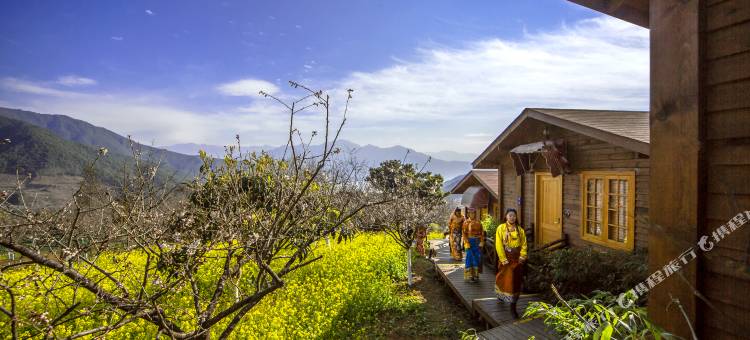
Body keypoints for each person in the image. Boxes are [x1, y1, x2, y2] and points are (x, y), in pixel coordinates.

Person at [495, 208, 527, 318]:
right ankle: (500, 295)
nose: (512, 217)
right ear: (506, 216)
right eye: (510, 215)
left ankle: (513, 307)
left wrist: (523, 256)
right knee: (503, 279)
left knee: (515, 282)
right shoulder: (501, 228)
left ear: (516, 217)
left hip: (516, 260)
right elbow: (498, 244)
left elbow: (524, 244)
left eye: (514, 216)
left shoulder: (520, 230)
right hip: (506, 259)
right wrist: (503, 258)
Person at [462, 208, 485, 282]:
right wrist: (466, 243)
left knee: (477, 258)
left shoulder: (478, 222)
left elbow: (482, 233)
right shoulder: (466, 222)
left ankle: (476, 275)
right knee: (470, 258)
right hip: (469, 242)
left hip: (477, 242)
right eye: (470, 213)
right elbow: (464, 234)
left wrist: (481, 241)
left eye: (473, 213)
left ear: (475, 213)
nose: (472, 214)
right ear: (468, 214)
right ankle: (470, 276)